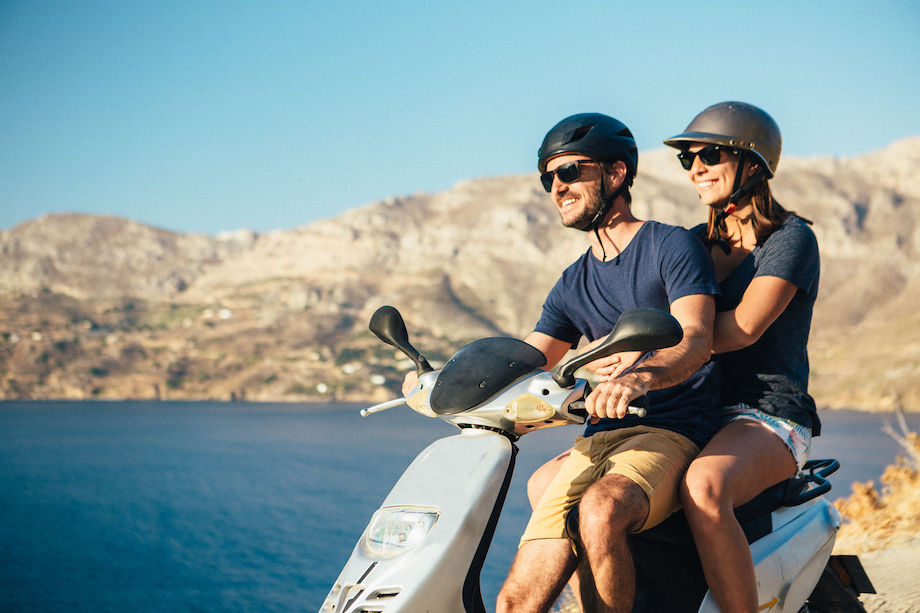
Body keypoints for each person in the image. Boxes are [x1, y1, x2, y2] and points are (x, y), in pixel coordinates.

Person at [489, 113, 722, 613]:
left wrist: (638, 378)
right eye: (548, 177)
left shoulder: (669, 245)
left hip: (671, 430)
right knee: (515, 602)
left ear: (615, 175)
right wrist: (447, 380)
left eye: (571, 171)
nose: (557, 187)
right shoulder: (572, 282)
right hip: (597, 438)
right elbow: (528, 360)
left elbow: (697, 336)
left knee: (600, 508)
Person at [662, 101, 821, 612]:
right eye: (688, 159)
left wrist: (664, 348)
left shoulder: (790, 240)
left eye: (710, 154)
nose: (697, 169)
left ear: (753, 163)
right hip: (694, 411)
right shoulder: (687, 245)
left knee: (704, 486)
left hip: (768, 415)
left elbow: (742, 329)